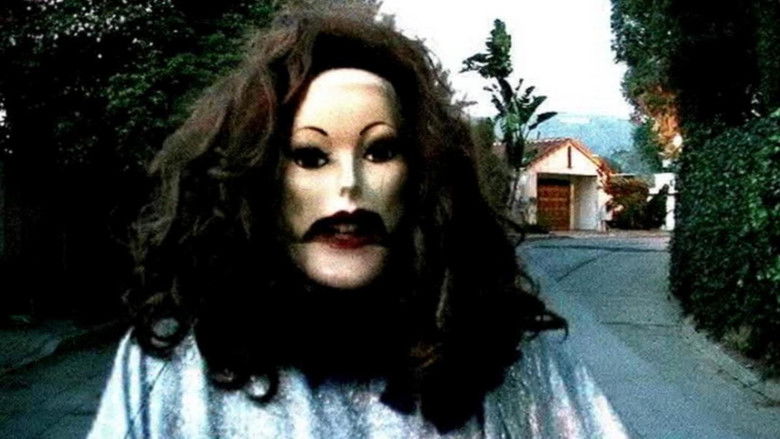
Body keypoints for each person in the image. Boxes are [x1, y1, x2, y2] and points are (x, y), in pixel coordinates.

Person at [89, 6, 628, 438]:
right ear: (257, 179)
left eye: (379, 151)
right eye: (310, 156)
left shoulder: (504, 354)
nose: (350, 184)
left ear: (422, 174)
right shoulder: (174, 363)